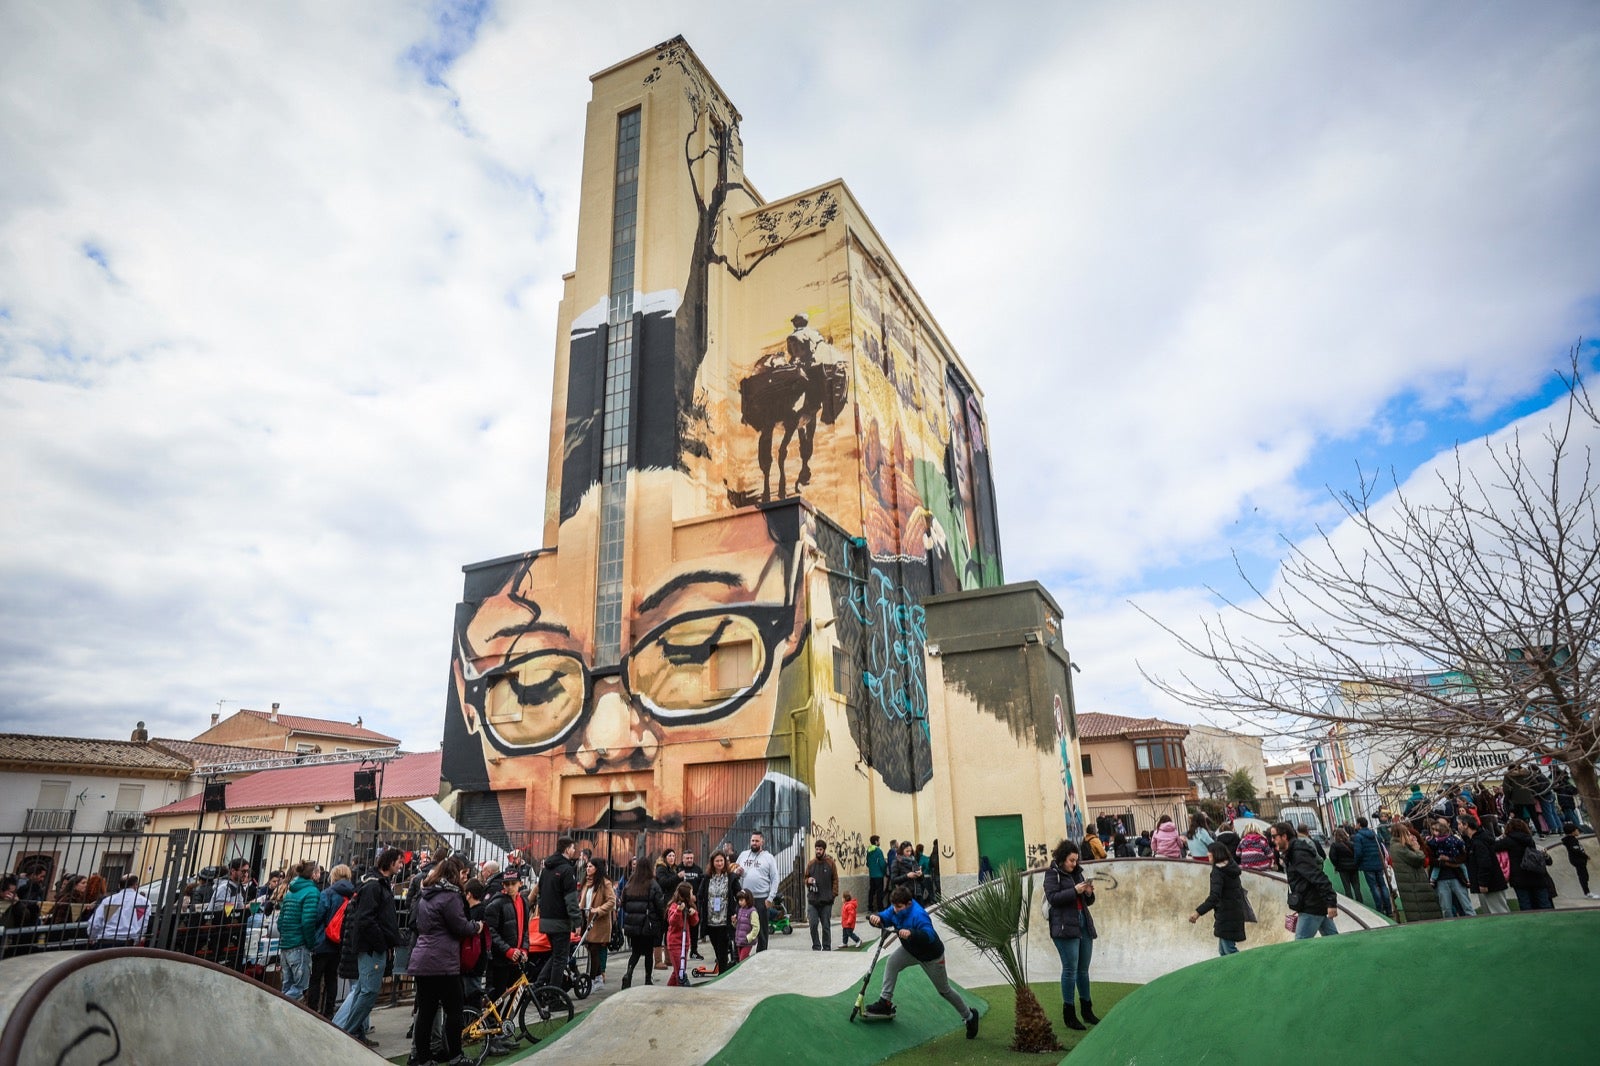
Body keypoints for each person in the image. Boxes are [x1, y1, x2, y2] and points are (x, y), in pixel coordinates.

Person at [863, 887, 980, 1040]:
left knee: (944, 991)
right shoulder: (895, 909)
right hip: (911, 951)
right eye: (894, 907)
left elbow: (929, 935)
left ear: (909, 904)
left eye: (899, 907)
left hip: (931, 956)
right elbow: (884, 917)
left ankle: (970, 1016)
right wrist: (876, 918)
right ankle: (885, 1003)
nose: (896, 910)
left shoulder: (919, 915)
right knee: (892, 962)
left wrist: (912, 933)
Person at [407, 855, 482, 1066]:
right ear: (454, 875)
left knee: (426, 1012)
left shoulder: (425, 895)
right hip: (443, 962)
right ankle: (455, 1056)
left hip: (422, 959)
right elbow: (460, 926)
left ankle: (423, 1059)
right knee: (454, 1010)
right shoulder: (451, 897)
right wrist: (477, 927)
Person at [333, 846, 404, 1048]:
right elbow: (367, 919)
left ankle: (356, 1032)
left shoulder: (375, 883)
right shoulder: (374, 886)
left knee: (364, 991)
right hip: (372, 948)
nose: (401, 866)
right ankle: (350, 1032)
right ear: (390, 863)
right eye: (399, 862)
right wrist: (382, 943)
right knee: (368, 992)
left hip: (372, 946)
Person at [1043, 839, 1099, 1031]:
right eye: (1071, 860)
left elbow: (1087, 902)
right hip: (1064, 927)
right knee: (1070, 969)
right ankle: (1069, 1014)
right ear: (1061, 859)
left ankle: (1087, 1010)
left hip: (1082, 922)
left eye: (1076, 860)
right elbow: (1053, 898)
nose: (1074, 864)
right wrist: (1074, 890)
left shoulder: (1077, 873)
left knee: (1083, 969)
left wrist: (1089, 893)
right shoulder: (1052, 874)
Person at [1273, 821, 1339, 939]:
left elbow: (1319, 877)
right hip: (1314, 903)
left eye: (1274, 837)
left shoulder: (1297, 854)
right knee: (1333, 939)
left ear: (1284, 836)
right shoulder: (1292, 853)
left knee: (1301, 944)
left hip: (1311, 907)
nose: (1272, 840)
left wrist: (1331, 902)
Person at [535, 837, 582, 988]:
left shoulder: (546, 869)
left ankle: (539, 984)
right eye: (573, 848)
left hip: (546, 919)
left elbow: (540, 893)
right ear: (567, 849)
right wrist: (577, 921)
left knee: (556, 955)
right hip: (560, 921)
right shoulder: (567, 870)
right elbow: (571, 899)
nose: (574, 851)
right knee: (560, 959)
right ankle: (553, 994)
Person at [308, 864, 354, 1017]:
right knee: (331, 978)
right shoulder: (352, 894)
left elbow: (318, 915)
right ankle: (329, 1013)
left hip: (323, 941)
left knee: (316, 978)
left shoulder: (327, 893)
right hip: (339, 943)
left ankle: (312, 1011)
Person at [1189, 841, 1247, 955]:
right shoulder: (1231, 867)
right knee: (1223, 951)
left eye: (1209, 853)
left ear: (1215, 854)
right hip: (1234, 912)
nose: (1208, 855)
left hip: (1226, 915)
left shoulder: (1218, 872)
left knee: (1229, 951)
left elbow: (1214, 896)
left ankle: (1243, 969)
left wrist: (1198, 912)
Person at [483, 865, 531, 1002]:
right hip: (500, 959)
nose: (510, 887)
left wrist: (524, 949)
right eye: (507, 884)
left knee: (517, 997)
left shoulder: (523, 902)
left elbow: (525, 929)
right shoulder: (496, 904)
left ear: (520, 884)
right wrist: (508, 950)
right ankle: (495, 1022)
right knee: (496, 998)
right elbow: (490, 931)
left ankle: (505, 1021)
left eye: (513, 884)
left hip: (516, 958)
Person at [276, 859, 321, 1001]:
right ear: (313, 874)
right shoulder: (312, 892)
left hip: (286, 945)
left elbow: (280, 921)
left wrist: (285, 936)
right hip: (300, 945)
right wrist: (311, 943)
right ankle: (275, 1008)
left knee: (287, 986)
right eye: (318, 872)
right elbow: (308, 921)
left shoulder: (291, 891)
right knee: (299, 989)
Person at [619, 856, 665, 989]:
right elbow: (659, 905)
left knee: (636, 952)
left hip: (632, 924)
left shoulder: (630, 883)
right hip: (647, 924)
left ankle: (629, 973)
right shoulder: (653, 884)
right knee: (648, 953)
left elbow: (624, 903)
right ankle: (647, 979)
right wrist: (661, 920)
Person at [732, 832, 779, 952]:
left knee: (761, 929)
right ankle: (739, 955)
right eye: (752, 841)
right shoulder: (743, 855)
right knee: (741, 927)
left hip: (761, 899)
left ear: (762, 842)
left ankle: (761, 954)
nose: (754, 843)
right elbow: (734, 870)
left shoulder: (768, 857)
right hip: (744, 899)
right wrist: (738, 871)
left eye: (757, 841)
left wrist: (770, 898)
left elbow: (775, 879)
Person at [696, 851, 741, 973]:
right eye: (717, 861)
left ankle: (722, 974)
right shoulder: (706, 878)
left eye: (721, 860)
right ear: (712, 862)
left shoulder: (731, 877)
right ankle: (724, 971)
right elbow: (700, 896)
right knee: (717, 949)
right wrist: (700, 911)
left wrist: (737, 912)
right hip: (711, 920)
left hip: (725, 920)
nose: (719, 863)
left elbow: (739, 895)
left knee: (723, 950)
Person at [1386, 821, 1439, 922]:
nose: (1410, 836)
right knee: (1422, 912)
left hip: (1411, 883)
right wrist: (1417, 849)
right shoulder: (1400, 848)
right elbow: (1418, 859)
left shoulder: (1397, 846)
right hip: (1413, 885)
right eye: (1407, 833)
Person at [1424, 819, 1475, 918]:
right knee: (1446, 909)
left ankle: (1473, 923)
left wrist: (1449, 860)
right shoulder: (1431, 843)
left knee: (1466, 905)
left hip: (1457, 877)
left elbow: (1463, 856)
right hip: (1441, 879)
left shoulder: (1454, 839)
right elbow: (1432, 860)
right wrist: (1448, 863)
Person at [1459, 818, 1510, 915]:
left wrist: (1483, 883)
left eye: (1460, 824)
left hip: (1490, 884)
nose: (1458, 827)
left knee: (1498, 911)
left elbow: (1485, 863)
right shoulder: (1473, 841)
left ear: (1466, 825)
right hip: (1485, 883)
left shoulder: (1479, 842)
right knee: (1489, 913)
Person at [1503, 817, 1555, 911]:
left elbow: (1494, 846)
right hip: (1537, 875)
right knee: (1544, 904)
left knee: (1525, 906)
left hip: (1519, 878)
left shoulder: (1506, 842)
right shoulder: (1530, 841)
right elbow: (1548, 861)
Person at [86, 874, 152, 948]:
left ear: (119, 886)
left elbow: (95, 922)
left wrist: (92, 937)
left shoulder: (109, 900)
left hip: (105, 940)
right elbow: (143, 924)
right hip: (128, 942)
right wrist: (137, 940)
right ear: (135, 885)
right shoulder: (144, 902)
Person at [1349, 817, 1393, 916]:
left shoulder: (1358, 837)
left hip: (1367, 864)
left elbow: (1358, 853)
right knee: (1382, 886)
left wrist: (1357, 863)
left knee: (1373, 887)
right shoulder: (1374, 835)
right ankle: (1389, 909)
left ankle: (1380, 908)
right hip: (1378, 863)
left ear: (1359, 824)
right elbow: (1381, 848)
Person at [580, 859, 615, 984]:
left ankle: (594, 978)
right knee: (590, 948)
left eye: (591, 866)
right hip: (587, 920)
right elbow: (583, 900)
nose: (588, 868)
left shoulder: (605, 883)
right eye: (587, 866)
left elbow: (611, 901)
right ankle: (599, 976)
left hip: (598, 922)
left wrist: (598, 910)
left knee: (595, 949)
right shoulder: (586, 883)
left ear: (597, 868)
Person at [805, 839, 841, 951]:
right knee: (813, 924)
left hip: (826, 901)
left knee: (826, 926)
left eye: (820, 849)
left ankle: (826, 947)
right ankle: (816, 946)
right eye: (816, 849)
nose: (818, 851)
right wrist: (808, 880)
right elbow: (805, 878)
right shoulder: (811, 864)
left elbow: (835, 879)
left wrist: (833, 894)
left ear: (824, 850)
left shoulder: (830, 863)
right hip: (813, 901)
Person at [665, 882, 699, 986]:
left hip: (684, 943)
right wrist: (678, 911)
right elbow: (672, 922)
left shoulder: (689, 906)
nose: (693, 895)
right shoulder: (674, 906)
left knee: (678, 970)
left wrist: (693, 914)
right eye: (691, 893)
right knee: (680, 971)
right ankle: (678, 989)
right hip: (675, 943)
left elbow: (694, 922)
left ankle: (670, 990)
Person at [652, 848, 681, 971]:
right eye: (669, 855)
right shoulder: (661, 869)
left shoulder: (673, 869)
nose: (672, 858)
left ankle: (668, 959)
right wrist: (677, 877)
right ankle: (658, 961)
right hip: (662, 904)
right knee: (660, 932)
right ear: (665, 857)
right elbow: (664, 883)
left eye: (673, 856)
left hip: (671, 904)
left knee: (669, 930)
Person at [678, 850, 705, 960]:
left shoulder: (698, 870)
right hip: (681, 904)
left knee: (694, 928)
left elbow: (702, 886)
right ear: (683, 858)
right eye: (687, 858)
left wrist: (697, 896)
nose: (689, 860)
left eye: (691, 858)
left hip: (694, 904)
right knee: (680, 928)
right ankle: (680, 952)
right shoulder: (678, 869)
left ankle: (694, 951)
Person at [1558, 824, 1595, 898]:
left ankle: (1587, 891)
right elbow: (1576, 850)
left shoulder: (1571, 839)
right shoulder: (1571, 840)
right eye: (1577, 830)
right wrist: (1585, 856)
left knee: (1584, 876)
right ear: (1573, 832)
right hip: (1578, 860)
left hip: (1578, 860)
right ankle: (1587, 892)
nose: (1578, 831)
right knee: (1583, 876)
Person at [1329, 828, 1361, 900]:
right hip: (1353, 867)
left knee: (1347, 887)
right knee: (1356, 886)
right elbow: (1357, 854)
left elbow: (1332, 857)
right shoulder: (1352, 844)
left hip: (1342, 868)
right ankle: (1359, 900)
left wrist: (1337, 865)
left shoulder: (1334, 845)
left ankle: (1350, 900)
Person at [733, 889, 758, 963]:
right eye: (739, 900)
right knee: (743, 960)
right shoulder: (740, 910)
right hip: (739, 940)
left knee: (742, 960)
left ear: (748, 899)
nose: (739, 902)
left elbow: (756, 927)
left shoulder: (752, 911)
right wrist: (734, 922)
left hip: (747, 942)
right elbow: (739, 926)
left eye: (741, 900)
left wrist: (749, 937)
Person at [866, 836, 887, 911]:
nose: (879, 842)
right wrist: (885, 872)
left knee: (871, 891)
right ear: (876, 842)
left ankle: (870, 907)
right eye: (879, 841)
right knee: (879, 892)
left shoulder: (868, 851)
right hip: (879, 875)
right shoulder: (878, 851)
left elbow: (867, 863)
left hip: (872, 874)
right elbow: (882, 863)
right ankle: (880, 907)